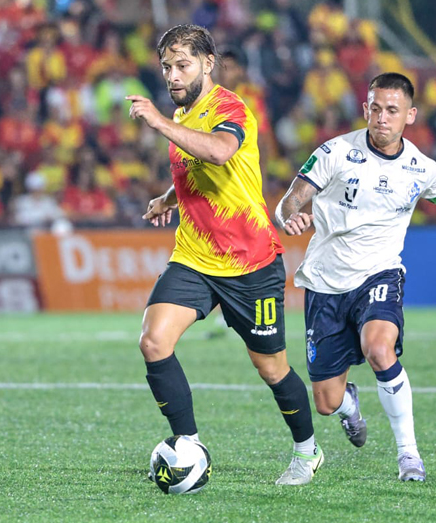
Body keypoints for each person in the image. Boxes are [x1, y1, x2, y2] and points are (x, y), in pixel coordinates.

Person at [276, 73, 436, 482]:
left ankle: (409, 456)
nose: (381, 118)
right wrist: (290, 217)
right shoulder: (335, 152)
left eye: (391, 110)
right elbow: (289, 201)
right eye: (375, 108)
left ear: (410, 115)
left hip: (379, 274)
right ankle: (349, 403)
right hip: (325, 284)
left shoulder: (420, 169)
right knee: (326, 403)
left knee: (379, 349)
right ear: (365, 108)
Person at [127, 24, 321, 486]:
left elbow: (219, 153)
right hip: (194, 256)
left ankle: (307, 451)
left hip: (250, 262)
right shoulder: (181, 111)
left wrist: (158, 122)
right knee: (153, 341)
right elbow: (195, 171)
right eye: (167, 67)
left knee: (271, 368)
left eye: (182, 65)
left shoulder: (230, 108)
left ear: (208, 63)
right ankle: (188, 445)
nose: (172, 75)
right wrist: (167, 199)